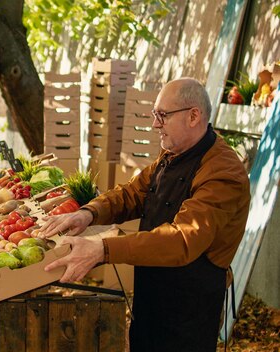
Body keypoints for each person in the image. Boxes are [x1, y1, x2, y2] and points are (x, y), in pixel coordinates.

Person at [40, 78, 250, 352]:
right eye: (154, 115)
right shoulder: (172, 155)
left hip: (188, 312)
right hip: (152, 295)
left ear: (193, 116)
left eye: (162, 115)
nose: (154, 124)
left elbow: (182, 240)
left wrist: (102, 250)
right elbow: (133, 193)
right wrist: (89, 212)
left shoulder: (223, 173)